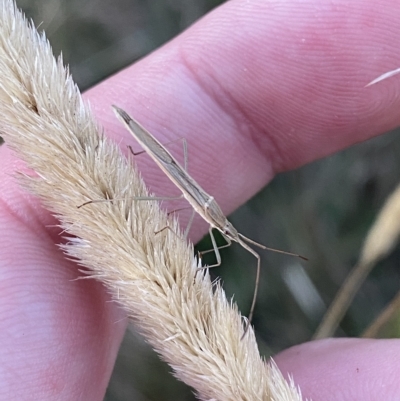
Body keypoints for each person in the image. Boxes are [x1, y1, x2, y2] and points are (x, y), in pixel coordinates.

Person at [1, 0, 400, 399]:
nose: (242, 243)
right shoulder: (208, 214)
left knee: (173, 204)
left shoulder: (220, 227)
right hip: (169, 165)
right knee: (156, 195)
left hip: (184, 186)